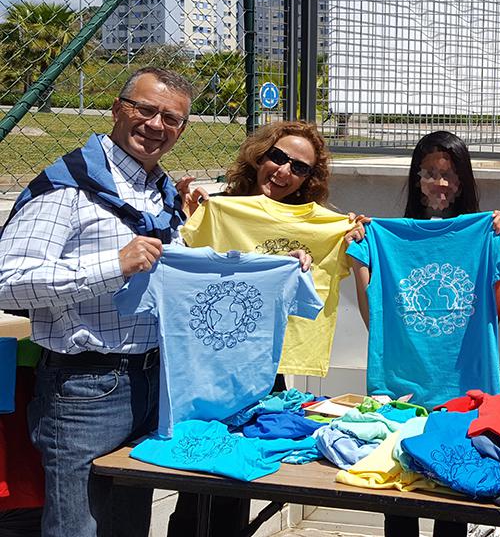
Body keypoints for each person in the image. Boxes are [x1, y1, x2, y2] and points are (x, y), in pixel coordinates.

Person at [0, 67, 193, 537]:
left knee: (127, 526)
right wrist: (114, 265)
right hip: (84, 389)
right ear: (117, 108)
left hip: (154, 383)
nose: (156, 125)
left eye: (171, 118)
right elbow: (8, 282)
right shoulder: (66, 186)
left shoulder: (160, 193)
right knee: (78, 529)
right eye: (144, 109)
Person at [170, 120, 365, 536]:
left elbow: (345, 274)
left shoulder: (326, 227)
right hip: (206, 363)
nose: (283, 171)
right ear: (260, 155)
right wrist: (185, 207)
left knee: (237, 479)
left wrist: (353, 238)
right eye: (278, 157)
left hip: (264, 365)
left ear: (309, 179)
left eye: (299, 168)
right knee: (191, 480)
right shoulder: (219, 209)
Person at [350, 130, 500, 537]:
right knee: (399, 497)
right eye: (430, 173)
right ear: (416, 177)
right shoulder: (385, 235)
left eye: (449, 174)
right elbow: (377, 318)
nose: (440, 183)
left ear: (463, 182)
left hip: (463, 390)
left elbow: (492, 311)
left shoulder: (483, 233)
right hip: (402, 388)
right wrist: (360, 255)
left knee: (451, 500)